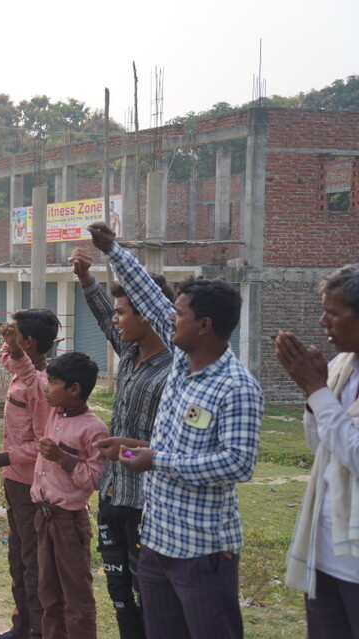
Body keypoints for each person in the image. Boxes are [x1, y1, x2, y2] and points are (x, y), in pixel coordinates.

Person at [87, 221, 263, 639]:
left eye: (178, 315)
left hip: (202, 551)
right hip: (157, 541)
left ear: (203, 325)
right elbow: (147, 294)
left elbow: (238, 464)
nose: (169, 320)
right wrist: (113, 250)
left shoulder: (236, 386)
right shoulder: (184, 363)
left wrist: (155, 458)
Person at [69, 247, 174, 639]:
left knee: (148, 596)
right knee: (119, 596)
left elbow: (166, 450)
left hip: (146, 504)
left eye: (123, 312)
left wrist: (126, 452)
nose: (115, 320)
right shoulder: (129, 351)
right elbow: (101, 316)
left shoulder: (175, 371)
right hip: (112, 496)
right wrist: (85, 278)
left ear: (148, 313)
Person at [277, 263, 359, 638]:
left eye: (332, 312)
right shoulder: (345, 365)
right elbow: (322, 448)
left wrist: (317, 391)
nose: (322, 321)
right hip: (327, 552)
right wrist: (315, 395)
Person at [0, 310, 59, 639]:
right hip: (13, 483)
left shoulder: (43, 388)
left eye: (14, 336)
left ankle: (37, 631)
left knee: (33, 565)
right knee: (17, 560)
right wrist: (13, 343)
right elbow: (6, 356)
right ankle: (21, 626)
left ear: (29, 343)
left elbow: (41, 444)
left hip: (31, 487)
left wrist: (2, 457)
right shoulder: (20, 373)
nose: (7, 347)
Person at [32, 351, 109, 639]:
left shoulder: (94, 430)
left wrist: (63, 458)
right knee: (48, 594)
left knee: (76, 596)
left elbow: (96, 479)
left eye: (53, 383)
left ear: (74, 389)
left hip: (69, 522)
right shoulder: (54, 410)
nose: (46, 388)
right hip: (45, 516)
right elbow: (32, 377)